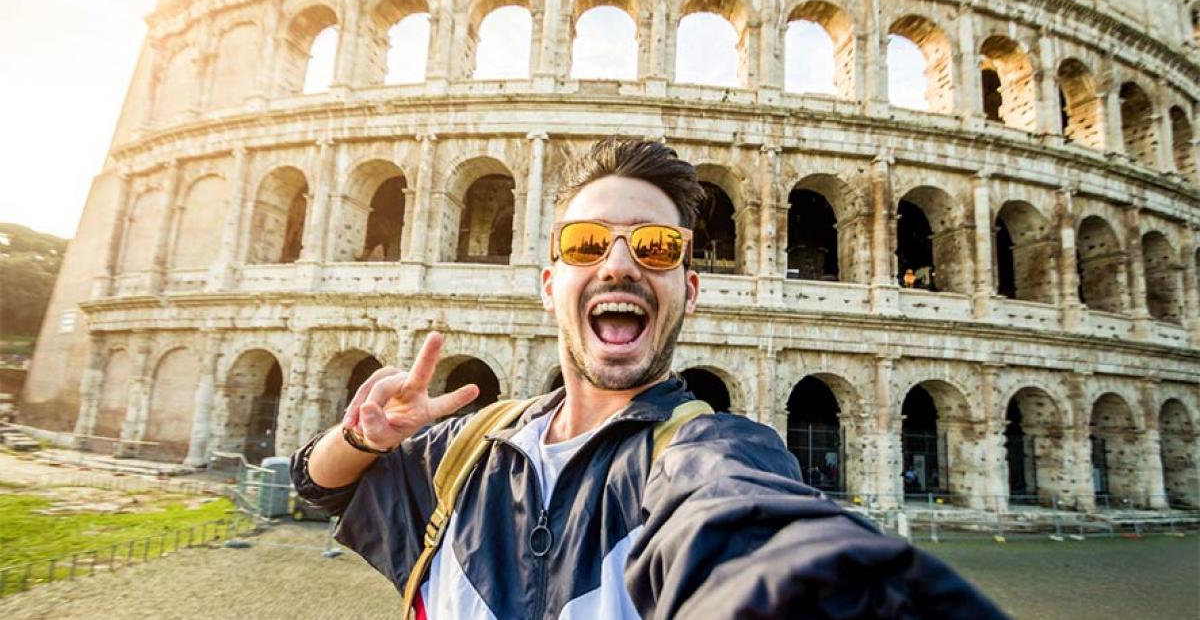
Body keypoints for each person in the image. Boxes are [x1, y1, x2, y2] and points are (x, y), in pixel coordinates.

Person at [291, 138, 1006, 619]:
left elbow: (756, 537)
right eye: (588, 243)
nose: (620, 264)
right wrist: (363, 435)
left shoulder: (709, 458)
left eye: (657, 247)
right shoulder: (469, 448)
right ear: (548, 284)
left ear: (689, 290)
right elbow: (319, 484)